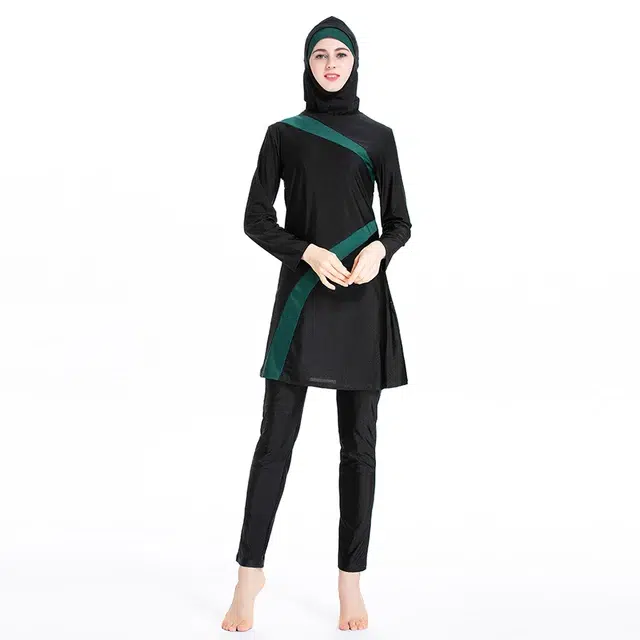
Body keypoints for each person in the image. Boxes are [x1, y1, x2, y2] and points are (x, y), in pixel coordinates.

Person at [221, 15, 412, 632]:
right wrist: (307, 251)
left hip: (361, 299)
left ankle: (349, 582)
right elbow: (256, 218)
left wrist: (379, 250)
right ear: (307, 64)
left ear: (355, 63)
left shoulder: (379, 137)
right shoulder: (283, 134)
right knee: (274, 441)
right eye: (320, 55)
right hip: (303, 296)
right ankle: (249, 577)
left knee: (359, 447)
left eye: (340, 55)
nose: (330, 64)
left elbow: (400, 221)